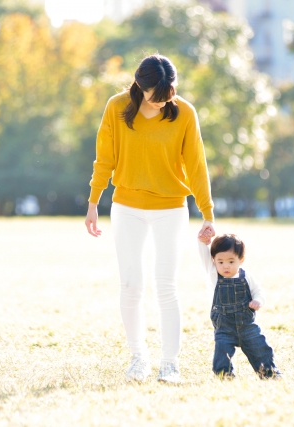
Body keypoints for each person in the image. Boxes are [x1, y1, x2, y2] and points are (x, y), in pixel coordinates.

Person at [84, 54, 215, 383]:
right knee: (130, 285)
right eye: (157, 96)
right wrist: (93, 202)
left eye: (169, 94)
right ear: (140, 87)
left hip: (171, 208)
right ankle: (138, 358)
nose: (163, 102)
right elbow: (104, 158)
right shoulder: (116, 108)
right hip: (127, 206)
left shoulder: (184, 112)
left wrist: (207, 213)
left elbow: (197, 165)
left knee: (166, 285)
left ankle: (169, 363)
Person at [198, 232, 280, 379]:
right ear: (214, 261)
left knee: (260, 348)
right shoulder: (213, 275)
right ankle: (225, 375)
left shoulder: (246, 276)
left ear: (240, 260)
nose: (225, 266)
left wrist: (258, 300)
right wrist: (203, 243)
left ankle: (269, 373)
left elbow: (258, 291)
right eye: (220, 262)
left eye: (231, 261)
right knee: (222, 352)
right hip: (224, 327)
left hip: (247, 326)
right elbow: (204, 257)